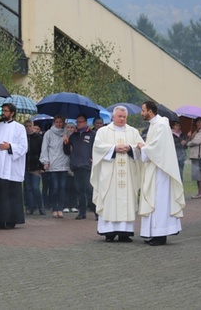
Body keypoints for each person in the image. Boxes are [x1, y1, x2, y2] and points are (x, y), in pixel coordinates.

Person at [91, 106, 143, 242]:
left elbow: (141, 147)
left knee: (126, 201)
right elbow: (97, 148)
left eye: (124, 117)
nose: (122, 119)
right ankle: (109, 232)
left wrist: (130, 148)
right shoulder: (103, 131)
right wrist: (113, 148)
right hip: (110, 175)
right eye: (119, 116)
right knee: (109, 199)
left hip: (128, 175)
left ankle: (125, 233)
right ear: (113, 117)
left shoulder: (133, 132)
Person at [137, 101, 185, 246]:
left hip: (161, 170)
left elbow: (157, 148)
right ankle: (153, 233)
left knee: (159, 202)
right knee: (153, 199)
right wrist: (145, 147)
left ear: (150, 111)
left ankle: (161, 235)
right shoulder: (154, 124)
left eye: (143, 110)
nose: (141, 113)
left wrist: (143, 147)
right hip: (154, 167)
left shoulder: (161, 125)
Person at [0, 103, 27, 229]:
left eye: (5, 111)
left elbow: (23, 146)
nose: (3, 113)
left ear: (12, 113)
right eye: (2, 110)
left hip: (12, 169)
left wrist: (10, 147)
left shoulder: (19, 128)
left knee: (11, 196)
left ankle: (11, 220)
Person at [63, 114, 96, 220]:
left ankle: (96, 212)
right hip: (76, 165)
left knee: (89, 189)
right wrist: (66, 143)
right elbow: (67, 152)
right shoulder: (73, 136)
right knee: (79, 190)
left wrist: (93, 158)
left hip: (87, 165)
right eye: (77, 122)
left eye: (80, 122)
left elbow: (96, 148)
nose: (78, 124)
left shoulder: (92, 134)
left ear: (86, 122)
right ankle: (82, 212)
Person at [39, 115, 69, 218]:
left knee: (62, 187)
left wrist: (67, 142)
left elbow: (70, 149)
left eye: (61, 122)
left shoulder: (67, 133)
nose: (59, 124)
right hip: (53, 165)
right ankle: (54, 208)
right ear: (54, 122)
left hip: (64, 164)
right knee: (54, 187)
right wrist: (45, 162)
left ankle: (60, 208)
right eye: (57, 122)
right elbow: (44, 148)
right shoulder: (48, 134)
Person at [23, 120, 45, 215]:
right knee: (27, 188)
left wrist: (41, 167)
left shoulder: (39, 138)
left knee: (36, 188)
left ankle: (41, 207)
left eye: (30, 126)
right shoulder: (22, 138)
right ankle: (30, 207)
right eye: (26, 126)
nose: (28, 128)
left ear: (33, 126)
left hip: (36, 166)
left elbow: (42, 153)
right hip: (25, 166)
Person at [186, 117, 201, 199]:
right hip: (196, 156)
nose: (197, 124)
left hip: (200, 156)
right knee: (197, 175)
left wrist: (188, 143)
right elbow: (193, 139)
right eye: (196, 122)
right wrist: (190, 136)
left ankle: (200, 193)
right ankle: (199, 192)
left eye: (199, 122)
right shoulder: (197, 131)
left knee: (200, 176)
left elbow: (196, 141)